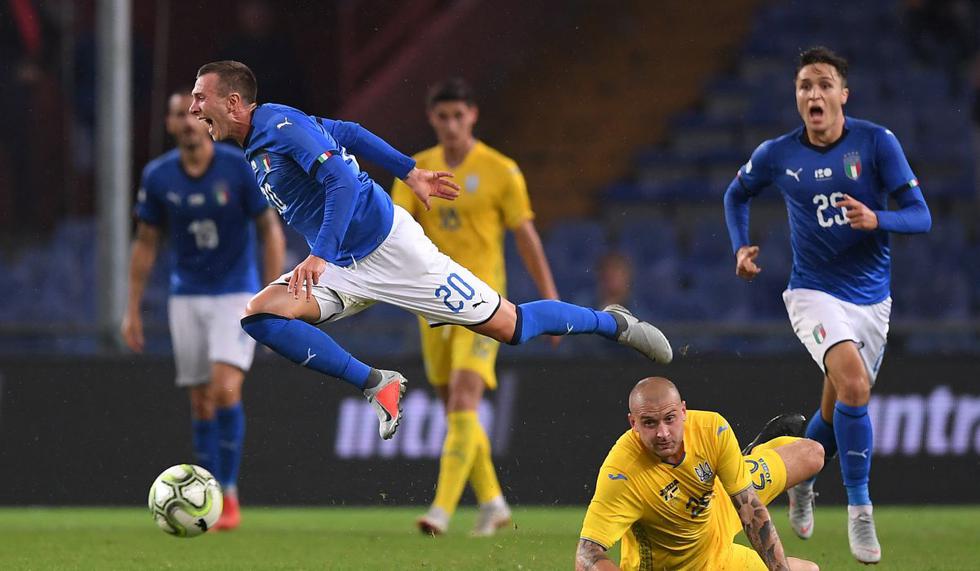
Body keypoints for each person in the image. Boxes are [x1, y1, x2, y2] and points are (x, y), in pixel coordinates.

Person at [188, 60, 673, 445]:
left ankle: (615, 324)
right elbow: (351, 132)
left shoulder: (279, 124)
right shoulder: (260, 140)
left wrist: (319, 253)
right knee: (261, 316)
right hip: (342, 263)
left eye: (199, 98)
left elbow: (338, 178)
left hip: (393, 253)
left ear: (233, 102)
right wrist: (410, 171)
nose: (193, 109)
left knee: (513, 327)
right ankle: (378, 383)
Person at [723, 46, 932, 564]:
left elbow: (921, 215)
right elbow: (736, 194)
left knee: (834, 406)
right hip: (812, 292)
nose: (813, 94)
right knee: (855, 385)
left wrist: (876, 219)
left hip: (871, 301)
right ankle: (861, 511)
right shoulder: (778, 153)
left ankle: (801, 478)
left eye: (822, 84)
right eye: (803, 86)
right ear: (797, 97)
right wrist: (740, 247)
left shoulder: (877, 143)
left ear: (843, 94)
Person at [389, 78, 559, 537]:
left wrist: (551, 299)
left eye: (457, 116)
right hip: (430, 302)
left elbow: (525, 236)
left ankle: (440, 511)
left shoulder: (501, 170)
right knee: (454, 409)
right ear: (432, 119)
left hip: (483, 303)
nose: (450, 125)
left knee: (464, 398)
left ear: (473, 115)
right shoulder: (415, 169)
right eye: (442, 117)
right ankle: (493, 503)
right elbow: (394, 223)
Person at [122, 89, 286, 531]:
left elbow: (269, 230)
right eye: (180, 114)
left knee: (224, 389)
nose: (189, 120)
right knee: (200, 402)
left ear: (205, 117)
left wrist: (276, 293)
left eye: (194, 112)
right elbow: (146, 242)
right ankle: (208, 493)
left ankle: (228, 494)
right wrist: (132, 308)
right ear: (172, 124)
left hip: (237, 294)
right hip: (187, 296)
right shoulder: (158, 176)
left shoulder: (236, 167)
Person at [575, 377, 822, 571]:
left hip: (718, 501)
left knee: (813, 454)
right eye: (650, 423)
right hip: (690, 562)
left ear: (684, 412)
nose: (663, 433)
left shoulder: (712, 429)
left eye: (670, 419)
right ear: (634, 424)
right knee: (810, 569)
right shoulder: (621, 474)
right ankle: (737, 464)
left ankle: (738, 463)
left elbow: (750, 510)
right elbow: (586, 555)